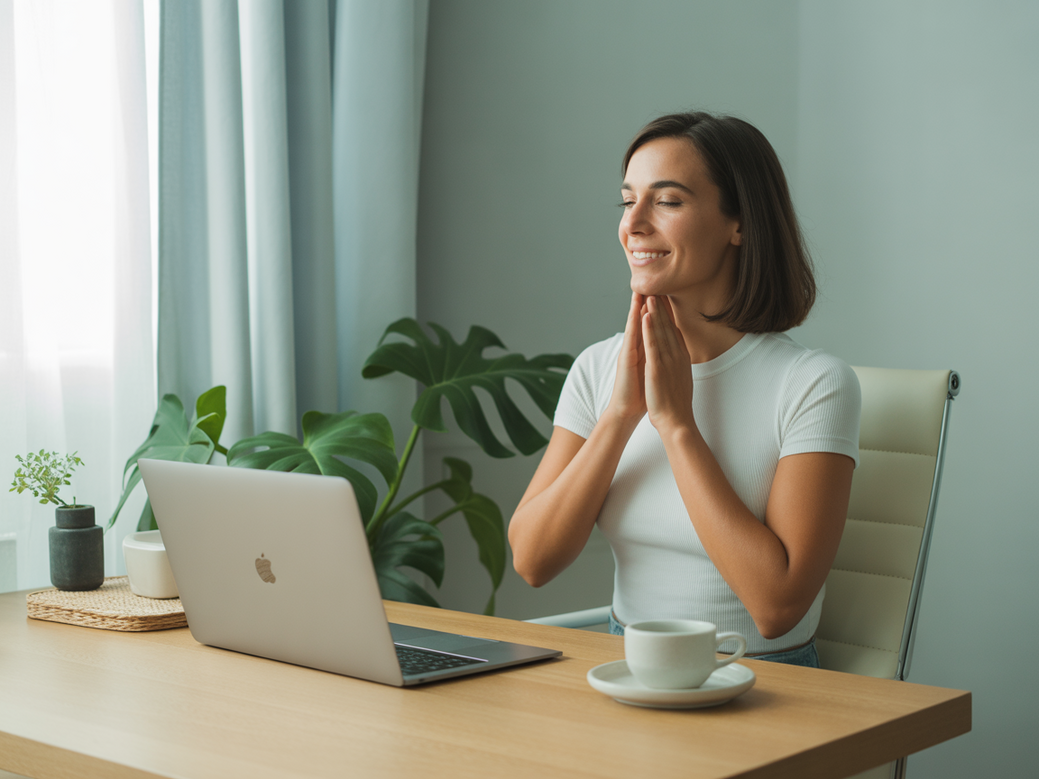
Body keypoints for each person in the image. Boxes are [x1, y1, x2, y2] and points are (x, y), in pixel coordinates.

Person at [507, 112, 861, 667]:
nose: (634, 224)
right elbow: (532, 560)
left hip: (764, 684)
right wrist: (621, 414)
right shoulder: (599, 369)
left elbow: (777, 606)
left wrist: (676, 425)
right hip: (626, 671)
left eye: (667, 201)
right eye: (628, 201)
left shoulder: (813, 384)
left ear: (737, 223)